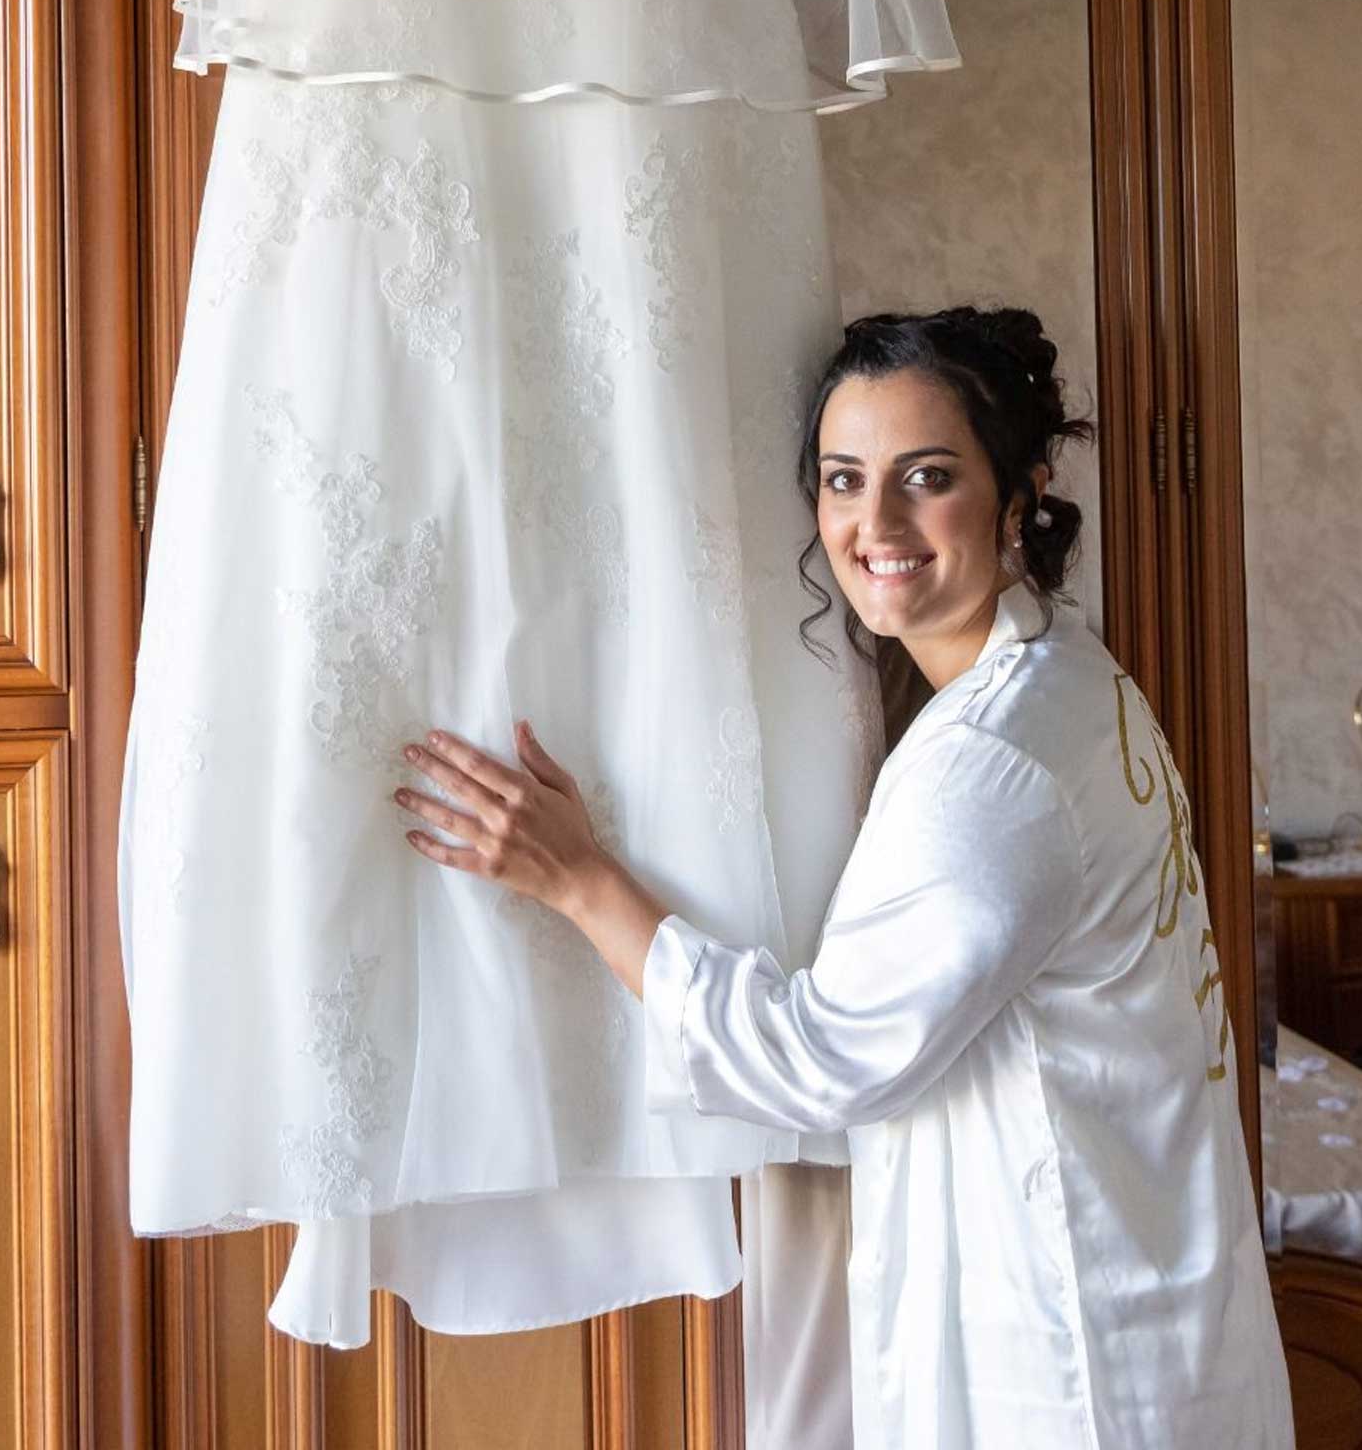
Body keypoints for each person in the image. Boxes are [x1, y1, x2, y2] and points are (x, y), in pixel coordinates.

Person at [392, 306, 1296, 1448]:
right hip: (1152, 1315)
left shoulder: (996, 761)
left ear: (1019, 496)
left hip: (1069, 1356)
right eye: (843, 481)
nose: (876, 524)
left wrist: (578, 879)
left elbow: (819, 1060)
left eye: (928, 477)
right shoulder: (1070, 677)